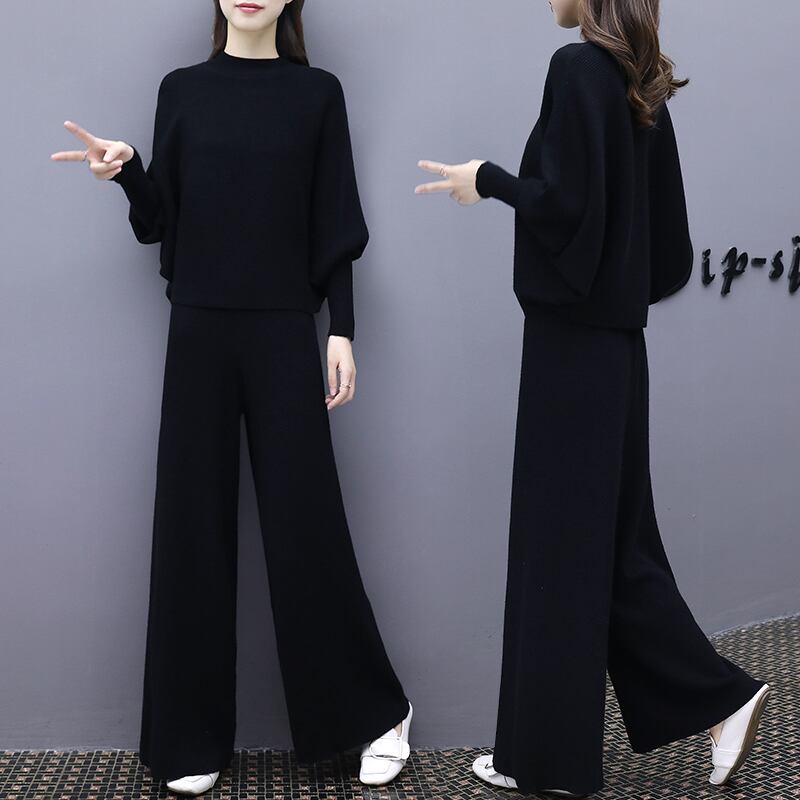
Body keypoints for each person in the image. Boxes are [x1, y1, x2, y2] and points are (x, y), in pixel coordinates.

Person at [50, 0, 412, 795]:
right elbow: (160, 224)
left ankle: (378, 715)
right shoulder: (181, 89)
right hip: (199, 327)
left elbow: (334, 218)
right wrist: (128, 170)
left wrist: (341, 330)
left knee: (305, 526)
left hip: (283, 326)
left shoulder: (317, 93)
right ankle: (189, 737)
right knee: (192, 527)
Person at [414, 0, 770, 796]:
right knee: (607, 550)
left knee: (561, 551)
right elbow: (667, 249)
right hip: (618, 351)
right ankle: (572, 749)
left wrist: (487, 180)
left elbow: (565, 207)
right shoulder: (639, 81)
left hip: (570, 352)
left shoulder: (577, 66)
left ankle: (564, 755)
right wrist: (618, 289)